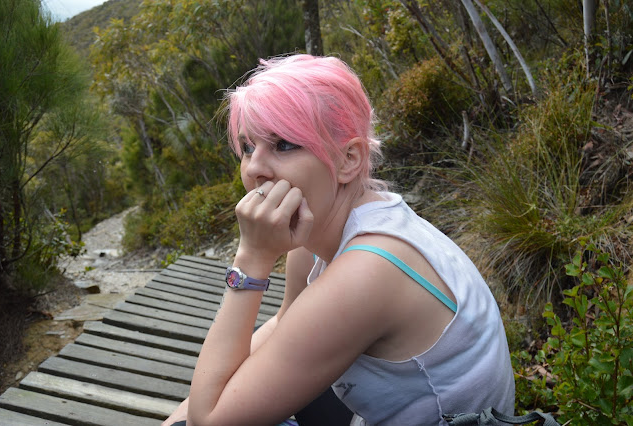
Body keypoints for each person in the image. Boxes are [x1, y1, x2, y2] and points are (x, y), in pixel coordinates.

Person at [162, 54, 515, 426]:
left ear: (349, 159)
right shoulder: (334, 228)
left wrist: (251, 258)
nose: (254, 168)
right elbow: (283, 323)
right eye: (248, 147)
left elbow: (210, 422)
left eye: (284, 144)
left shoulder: (369, 270)